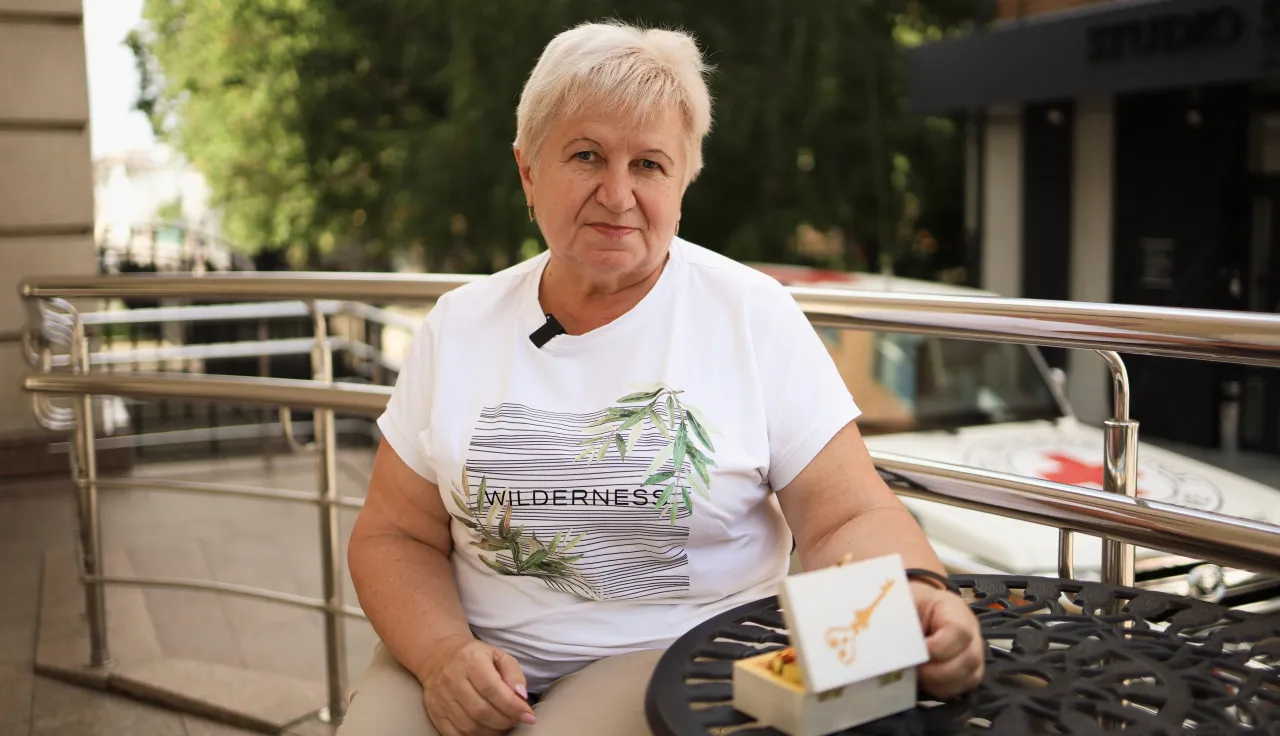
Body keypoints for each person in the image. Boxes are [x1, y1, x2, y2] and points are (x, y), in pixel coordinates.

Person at [339, 20, 984, 736]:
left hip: (672, 656)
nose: (617, 195)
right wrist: (441, 656)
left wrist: (919, 597)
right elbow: (393, 536)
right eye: (586, 155)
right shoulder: (458, 325)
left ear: (684, 179)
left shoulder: (750, 315)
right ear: (528, 170)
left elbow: (847, 517)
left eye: (648, 164)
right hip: (462, 649)